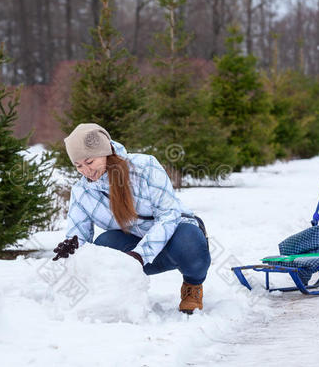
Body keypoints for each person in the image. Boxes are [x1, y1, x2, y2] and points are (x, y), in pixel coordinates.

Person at [52, 123, 211, 314]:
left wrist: (140, 255)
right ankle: (119, 296)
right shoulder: (81, 192)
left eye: (89, 162)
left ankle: (192, 286)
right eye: (78, 166)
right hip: (135, 242)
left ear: (105, 152)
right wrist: (72, 247)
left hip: (175, 238)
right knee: (103, 245)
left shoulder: (145, 167)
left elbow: (169, 215)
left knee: (189, 241)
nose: (85, 170)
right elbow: (80, 236)